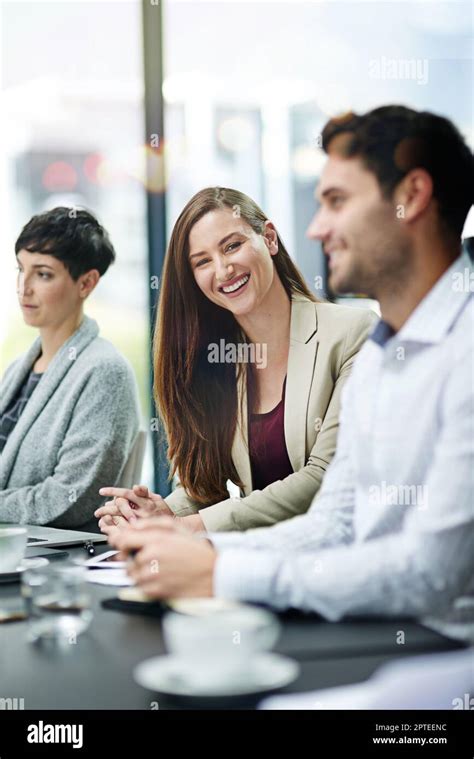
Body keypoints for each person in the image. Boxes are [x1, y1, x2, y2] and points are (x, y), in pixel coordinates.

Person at [110, 105, 474, 640]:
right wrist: (193, 545)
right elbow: (335, 522)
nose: (317, 225)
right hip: (368, 624)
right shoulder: (383, 352)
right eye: (202, 261)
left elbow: (432, 573)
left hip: (441, 649)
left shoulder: (448, 349)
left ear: (412, 198)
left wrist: (218, 564)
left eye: (336, 201)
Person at [96, 188, 375, 534]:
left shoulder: (352, 332)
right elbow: (208, 486)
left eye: (232, 246)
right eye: (202, 262)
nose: (223, 270)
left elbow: (324, 475)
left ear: (269, 239)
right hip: (252, 559)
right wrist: (162, 512)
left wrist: (189, 527)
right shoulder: (219, 358)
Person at [0, 207, 141, 530]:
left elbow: (70, 500)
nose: (24, 287)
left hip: (54, 562)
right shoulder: (16, 371)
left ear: (87, 283)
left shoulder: (105, 373)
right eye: (21, 269)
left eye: (44, 274)